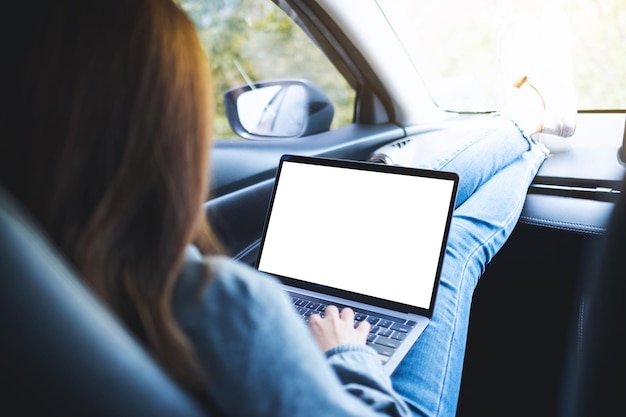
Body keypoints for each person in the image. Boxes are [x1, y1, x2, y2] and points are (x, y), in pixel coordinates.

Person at [0, 0, 576, 416]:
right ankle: (532, 113)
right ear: (166, 138)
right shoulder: (215, 302)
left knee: (432, 222)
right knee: (444, 243)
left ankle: (532, 128)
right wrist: (350, 354)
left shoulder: (40, 299)